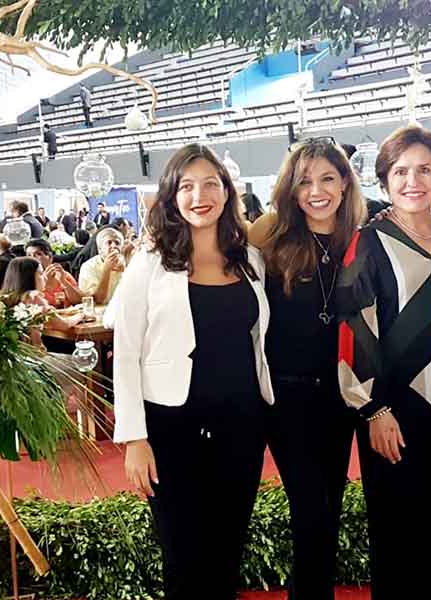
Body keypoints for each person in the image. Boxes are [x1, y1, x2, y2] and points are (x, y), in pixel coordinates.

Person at [113, 143, 274, 600]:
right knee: (183, 559)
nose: (199, 195)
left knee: (226, 554)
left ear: (226, 191)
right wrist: (134, 440)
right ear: (172, 196)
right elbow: (125, 354)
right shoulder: (149, 263)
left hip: (241, 427)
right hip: (170, 429)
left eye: (210, 183)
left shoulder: (252, 261)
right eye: (186, 186)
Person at [337, 125, 431, 599]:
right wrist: (372, 409)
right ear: (385, 181)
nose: (412, 180)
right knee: (398, 539)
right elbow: (353, 329)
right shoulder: (368, 243)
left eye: (424, 170)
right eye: (400, 171)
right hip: (394, 412)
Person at [248, 138, 366, 599]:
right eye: (304, 182)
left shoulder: (360, 235)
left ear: (344, 182)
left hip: (340, 396)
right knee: (311, 509)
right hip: (288, 396)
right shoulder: (270, 233)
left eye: (327, 179)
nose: (316, 191)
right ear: (291, 190)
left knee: (327, 509)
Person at [1, 257, 83, 344]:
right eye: (40, 274)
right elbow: (64, 325)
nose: (45, 278)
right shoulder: (34, 298)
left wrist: (64, 311)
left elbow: (43, 314)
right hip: (37, 354)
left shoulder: (7, 298)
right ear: (30, 278)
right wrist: (81, 315)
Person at [26, 239, 83, 307]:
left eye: (38, 254)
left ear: (50, 257)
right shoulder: (26, 279)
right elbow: (29, 307)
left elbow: (79, 301)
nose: (32, 258)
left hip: (68, 316)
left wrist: (63, 281)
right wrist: (43, 283)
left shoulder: (63, 274)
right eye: (29, 255)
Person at [78, 226, 126, 304]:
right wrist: (106, 270)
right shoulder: (88, 267)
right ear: (100, 249)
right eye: (109, 242)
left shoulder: (127, 263)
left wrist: (127, 272)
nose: (113, 246)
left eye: (117, 243)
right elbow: (97, 300)